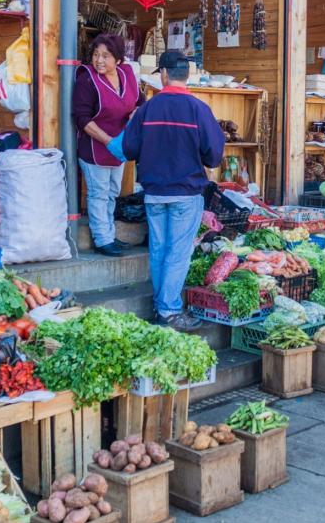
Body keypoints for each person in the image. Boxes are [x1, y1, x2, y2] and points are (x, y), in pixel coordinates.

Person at [109, 51, 225, 331]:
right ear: (188, 75)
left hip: (154, 193)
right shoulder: (199, 109)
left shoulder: (148, 109)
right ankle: (169, 310)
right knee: (178, 253)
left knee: (159, 250)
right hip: (186, 194)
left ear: (163, 75)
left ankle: (163, 305)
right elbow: (214, 155)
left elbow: (127, 149)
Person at [72, 34, 142, 257]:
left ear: (119, 60)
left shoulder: (128, 74)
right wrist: (108, 141)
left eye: (106, 56)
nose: (99, 60)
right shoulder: (87, 78)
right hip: (95, 146)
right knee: (99, 193)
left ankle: (110, 235)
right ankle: (102, 239)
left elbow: (140, 101)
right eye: (95, 54)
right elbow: (82, 118)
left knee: (113, 191)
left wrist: (136, 113)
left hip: (119, 147)